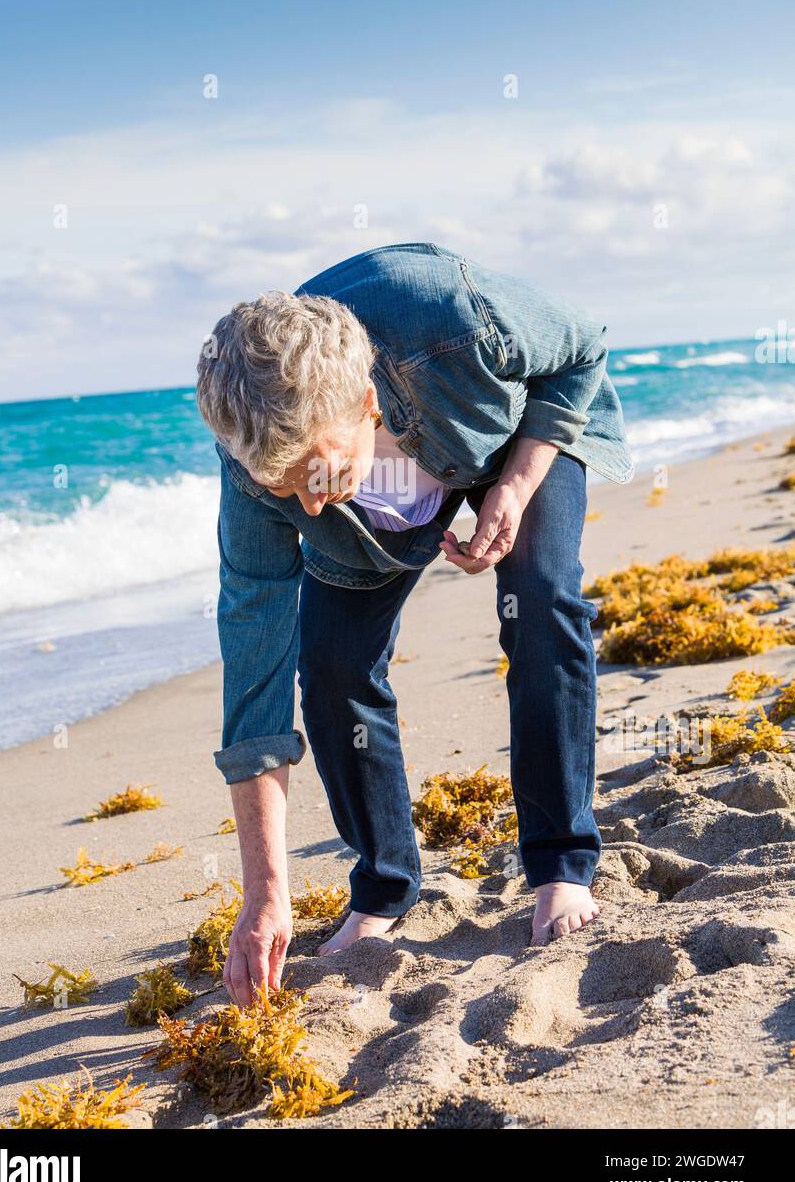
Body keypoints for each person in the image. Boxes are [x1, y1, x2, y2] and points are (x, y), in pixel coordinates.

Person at [196, 243, 632, 1006]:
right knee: (330, 666)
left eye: (316, 472)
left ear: (366, 404)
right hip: (379, 514)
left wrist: (517, 486)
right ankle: (383, 889)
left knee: (538, 599)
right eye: (279, 485)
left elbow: (581, 349)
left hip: (516, 436)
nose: (302, 506)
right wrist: (264, 893)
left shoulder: (452, 317)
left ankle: (562, 865)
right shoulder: (260, 462)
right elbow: (253, 680)